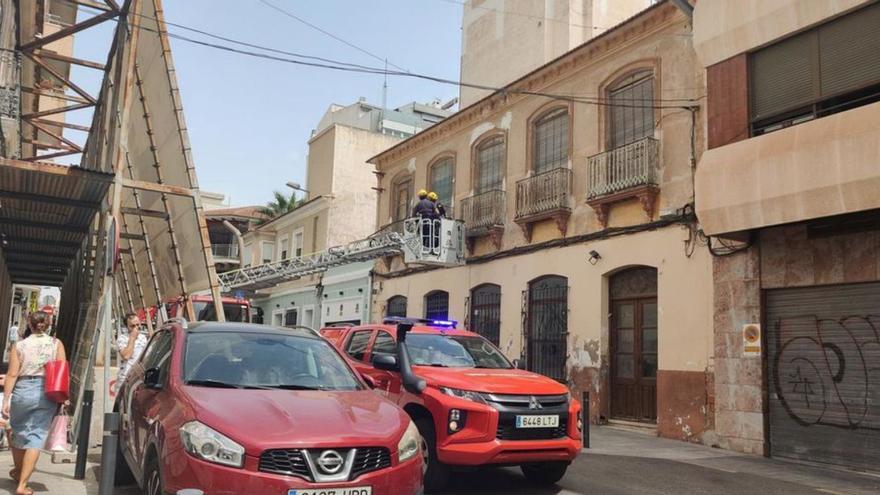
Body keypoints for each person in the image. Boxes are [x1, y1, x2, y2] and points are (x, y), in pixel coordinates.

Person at [3, 311, 66, 495]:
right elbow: (62, 372)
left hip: (22, 389)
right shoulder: (56, 344)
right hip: (46, 391)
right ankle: (22, 484)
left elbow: (12, 374)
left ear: (29, 325)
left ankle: (18, 470)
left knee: (17, 431)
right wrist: (64, 397)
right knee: (36, 437)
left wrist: (6, 399)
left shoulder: (20, 345)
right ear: (48, 325)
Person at [116, 313, 151, 391]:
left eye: (138, 325)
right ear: (127, 327)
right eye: (132, 326)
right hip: (125, 379)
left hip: (138, 379)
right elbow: (126, 356)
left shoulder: (143, 338)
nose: (136, 328)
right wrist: (132, 338)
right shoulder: (122, 339)